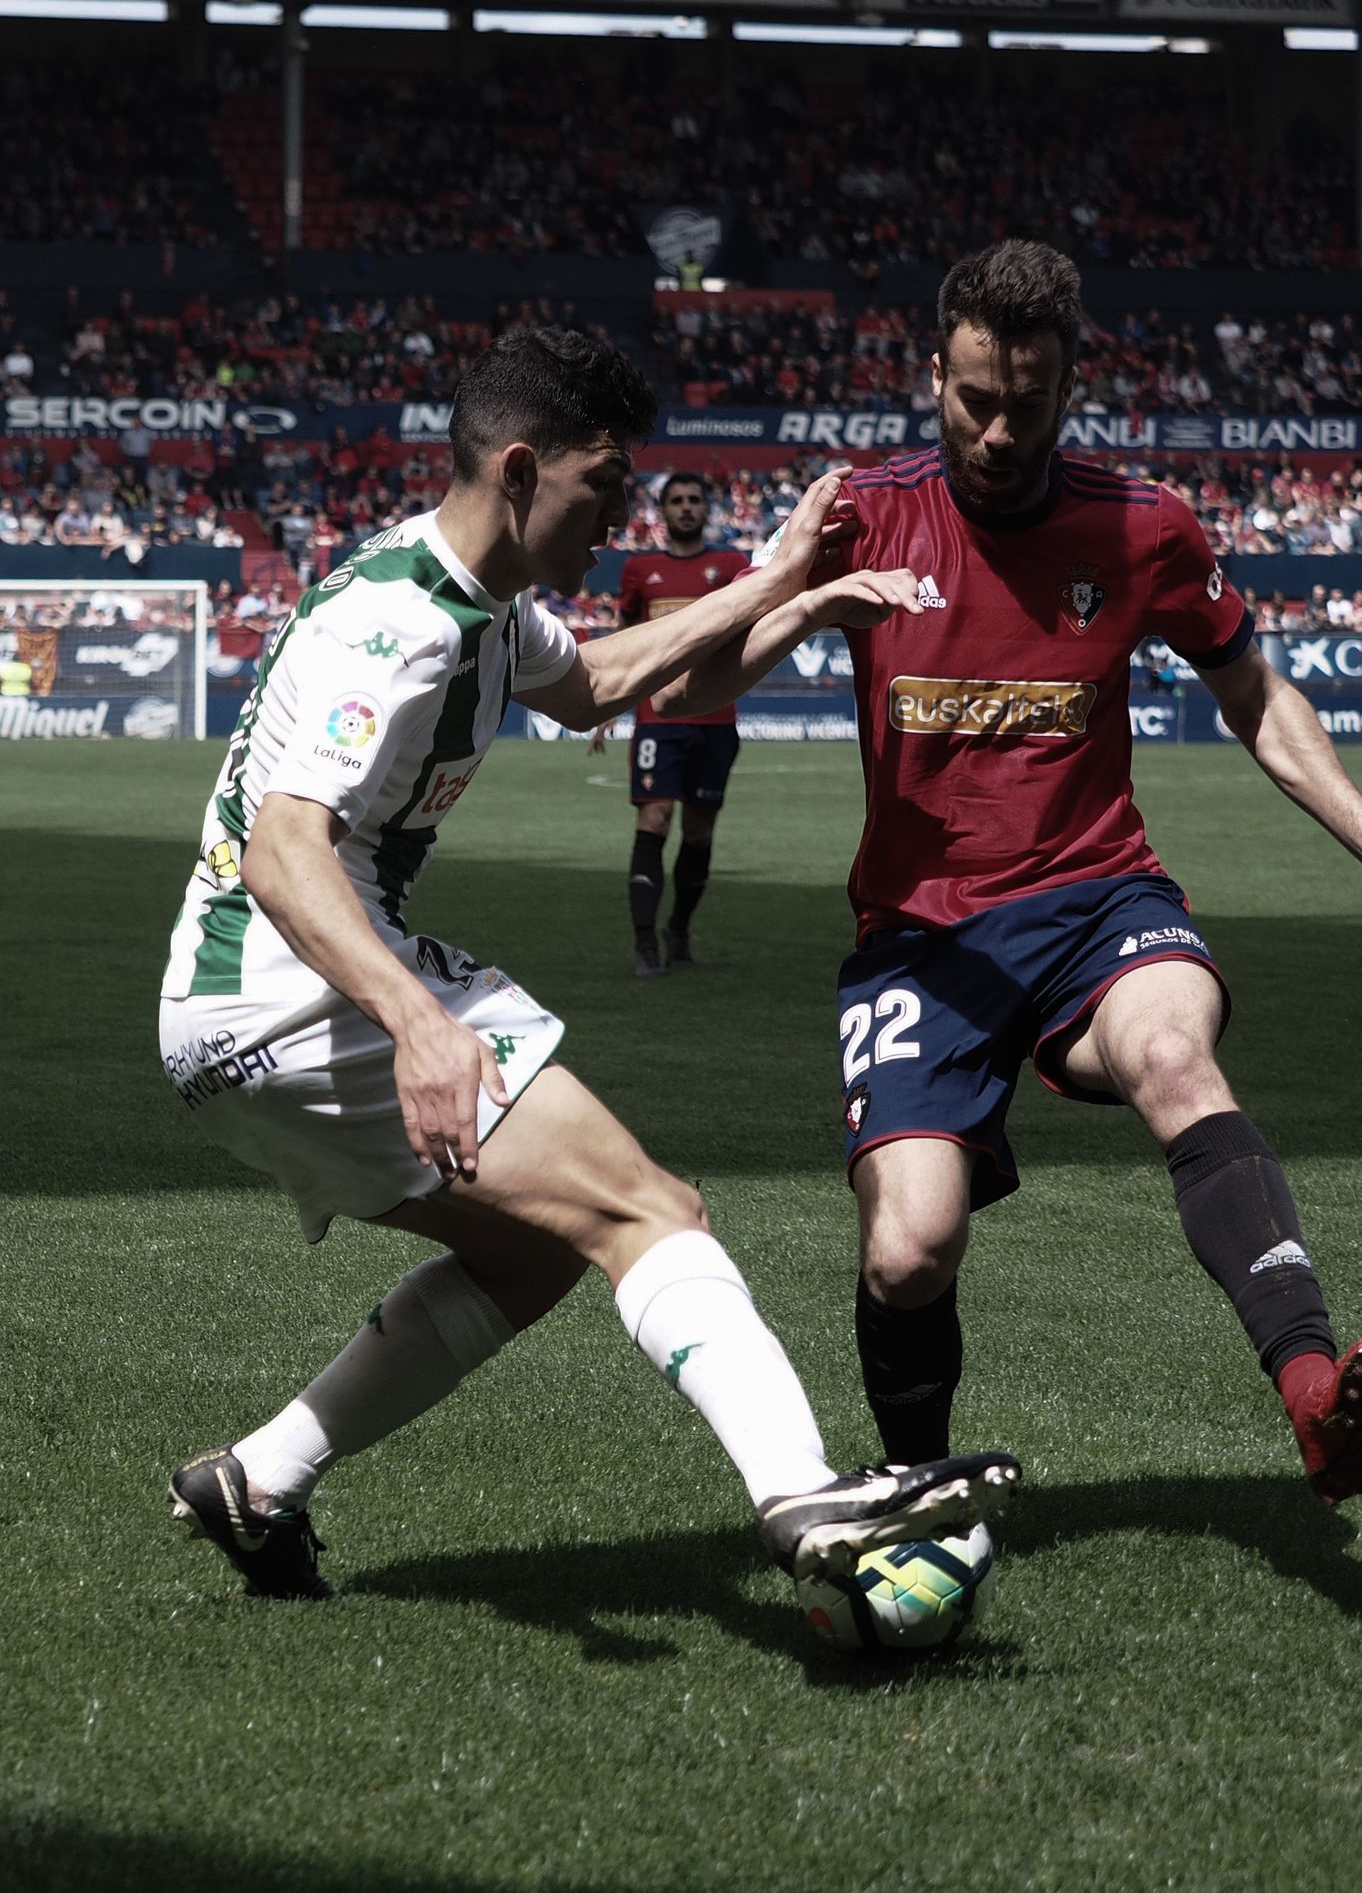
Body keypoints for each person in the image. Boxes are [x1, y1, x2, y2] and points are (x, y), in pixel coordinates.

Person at [654, 239, 1362, 1507]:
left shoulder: (1142, 527)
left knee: (1175, 1058)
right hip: (920, 938)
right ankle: (914, 1493)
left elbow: (1255, 696)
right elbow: (690, 692)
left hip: (1096, 898)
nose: (998, 430)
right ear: (934, 376)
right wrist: (792, 591)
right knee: (910, 1248)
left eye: (1028, 402)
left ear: (1071, 389)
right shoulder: (867, 510)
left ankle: (1313, 1397)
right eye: (973, 399)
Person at [157, 325, 1018, 1604]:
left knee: (531, 1254)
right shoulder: (393, 624)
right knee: (648, 1209)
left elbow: (601, 681)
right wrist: (416, 1021)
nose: (616, 518)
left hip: (243, 1012)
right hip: (292, 989)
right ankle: (800, 1494)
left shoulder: (482, 604)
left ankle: (259, 1478)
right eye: (599, 487)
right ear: (518, 468)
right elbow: (286, 853)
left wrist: (784, 583)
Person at [610, 473, 750, 977]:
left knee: (699, 833)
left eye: (694, 499)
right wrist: (610, 700)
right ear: (662, 511)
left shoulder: (733, 566)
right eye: (677, 501)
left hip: (715, 720)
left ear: (707, 509)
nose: (686, 507)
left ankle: (679, 931)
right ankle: (645, 944)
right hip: (657, 719)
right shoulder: (638, 569)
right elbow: (625, 636)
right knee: (654, 821)